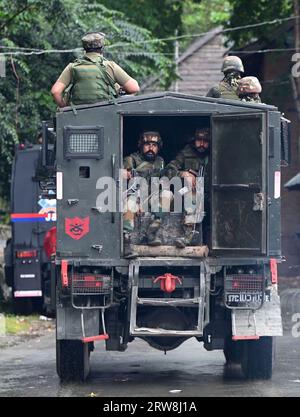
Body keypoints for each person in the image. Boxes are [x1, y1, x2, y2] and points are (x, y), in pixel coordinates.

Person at [51, 32, 140, 108]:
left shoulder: (72, 67)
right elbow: (134, 88)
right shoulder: (110, 66)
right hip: (105, 112)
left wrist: (64, 107)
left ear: (84, 49)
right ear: (102, 48)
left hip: (77, 114)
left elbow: (55, 91)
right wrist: (119, 89)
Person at [123, 131, 171, 256]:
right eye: (147, 145)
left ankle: (152, 230)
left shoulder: (160, 161)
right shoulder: (131, 159)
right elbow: (128, 185)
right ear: (141, 146)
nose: (151, 148)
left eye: (154, 145)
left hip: (151, 197)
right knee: (130, 203)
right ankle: (126, 241)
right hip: (135, 195)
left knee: (167, 194)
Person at [164, 128, 210, 248]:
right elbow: (168, 171)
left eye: (205, 141)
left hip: (211, 194)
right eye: (199, 140)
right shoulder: (186, 153)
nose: (202, 144)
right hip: (188, 192)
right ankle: (188, 236)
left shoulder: (214, 154)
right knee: (189, 195)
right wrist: (184, 174)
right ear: (194, 141)